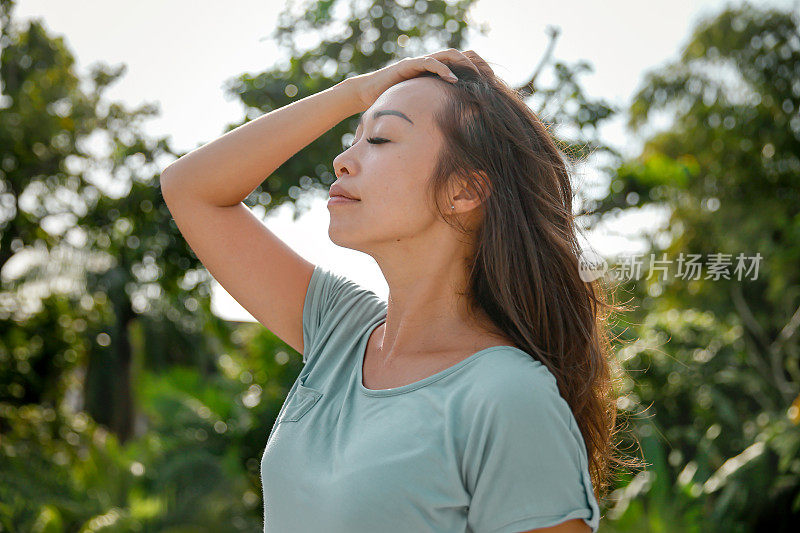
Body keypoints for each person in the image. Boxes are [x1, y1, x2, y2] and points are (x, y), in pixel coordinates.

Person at [161, 48, 626, 533]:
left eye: (380, 139)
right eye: (354, 138)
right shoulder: (340, 332)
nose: (342, 160)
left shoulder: (507, 396)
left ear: (463, 191)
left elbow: (192, 192)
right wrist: (355, 92)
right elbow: (188, 187)